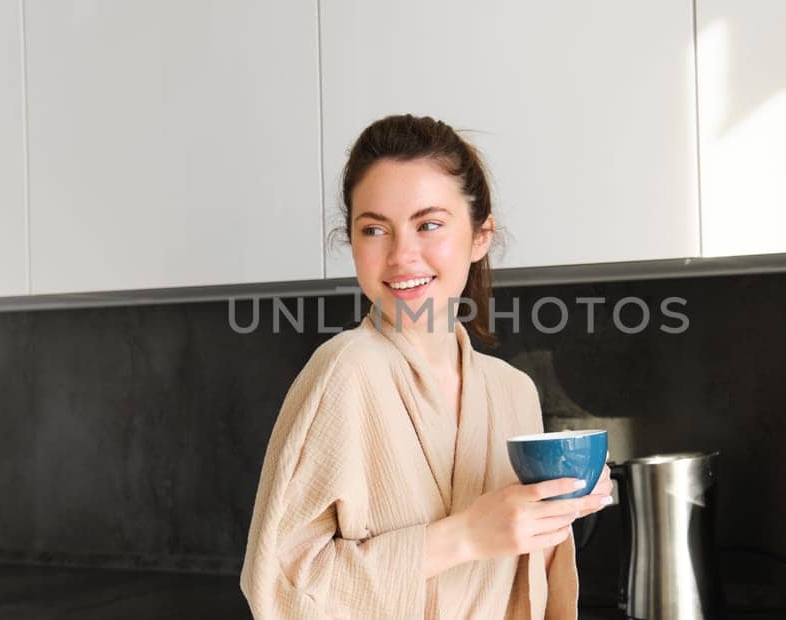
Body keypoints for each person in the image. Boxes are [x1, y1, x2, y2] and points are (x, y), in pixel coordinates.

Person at [240, 114, 612, 618]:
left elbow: (529, 583)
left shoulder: (512, 391)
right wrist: (464, 537)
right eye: (374, 229)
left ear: (481, 236)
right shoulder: (343, 372)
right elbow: (277, 586)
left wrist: (562, 506)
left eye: (429, 224)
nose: (401, 255)